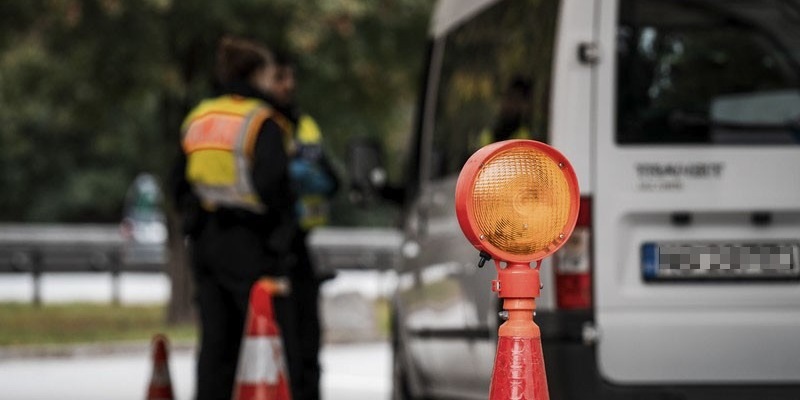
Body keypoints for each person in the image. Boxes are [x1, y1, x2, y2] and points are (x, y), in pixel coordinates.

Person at [170, 36, 302, 400]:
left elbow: (178, 183)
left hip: (205, 240)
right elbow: (273, 185)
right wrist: (281, 238)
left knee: (215, 342)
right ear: (257, 73)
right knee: (266, 334)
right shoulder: (262, 120)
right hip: (250, 241)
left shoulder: (200, 116)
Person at [263, 50, 339, 400]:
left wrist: (309, 177)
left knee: (307, 340)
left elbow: (333, 180)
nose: (289, 85)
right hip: (263, 244)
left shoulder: (304, 124)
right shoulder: (259, 123)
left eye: (291, 77)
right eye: (281, 78)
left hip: (299, 243)